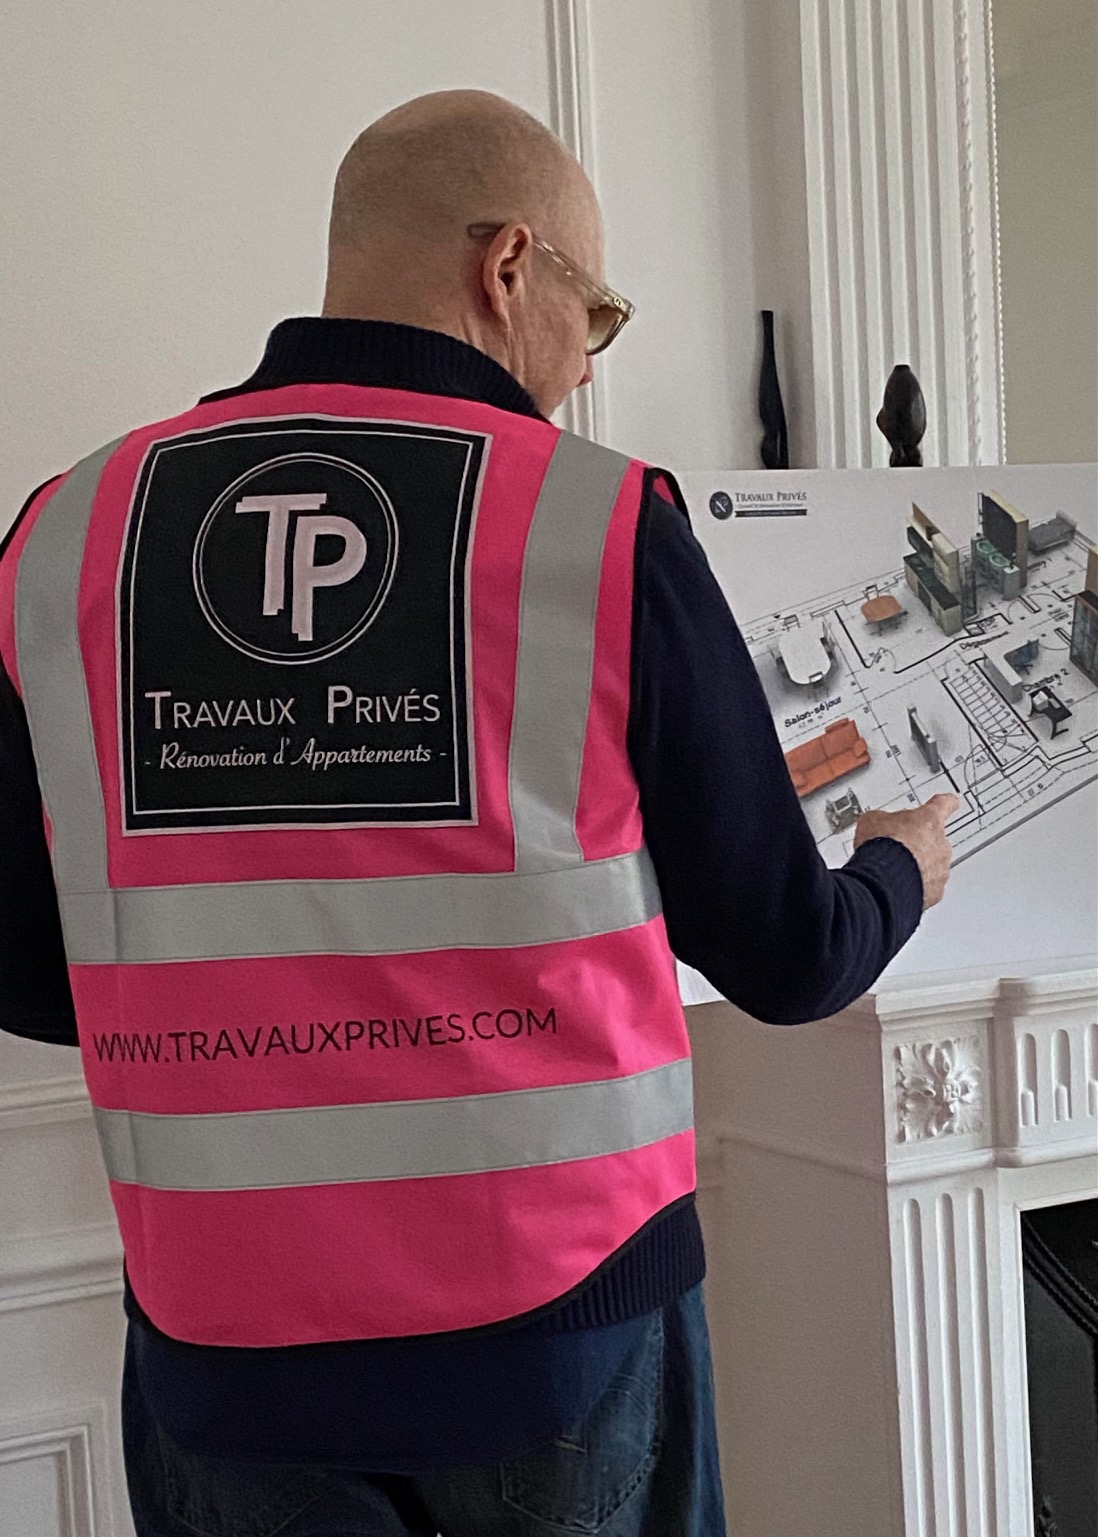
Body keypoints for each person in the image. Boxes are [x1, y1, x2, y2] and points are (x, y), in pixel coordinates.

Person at [0, 89, 958, 1537]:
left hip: (222, 1348)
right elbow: (788, 954)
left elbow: (31, 972)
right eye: (599, 311)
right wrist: (900, 865)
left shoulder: (64, 534)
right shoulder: (595, 521)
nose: (588, 358)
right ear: (508, 266)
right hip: (564, 1329)